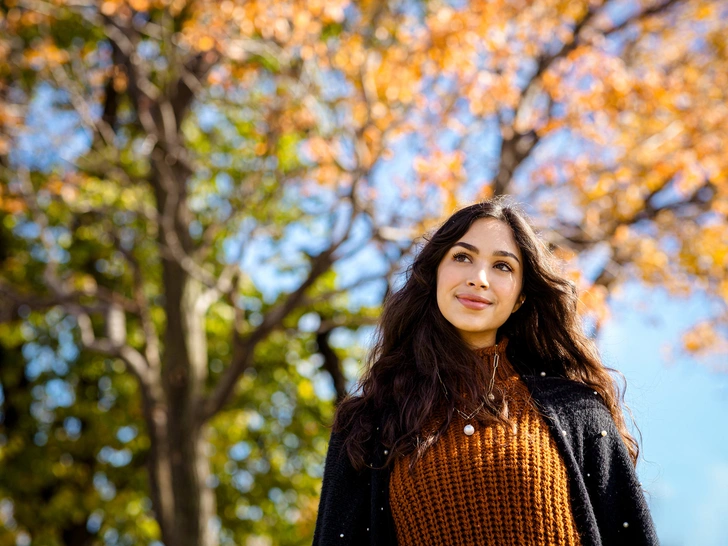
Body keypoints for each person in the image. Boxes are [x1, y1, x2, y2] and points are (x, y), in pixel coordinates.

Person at [312, 197, 658, 546]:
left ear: (521, 297)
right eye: (462, 257)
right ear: (434, 274)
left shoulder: (578, 412)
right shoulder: (368, 424)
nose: (479, 279)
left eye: (503, 267)